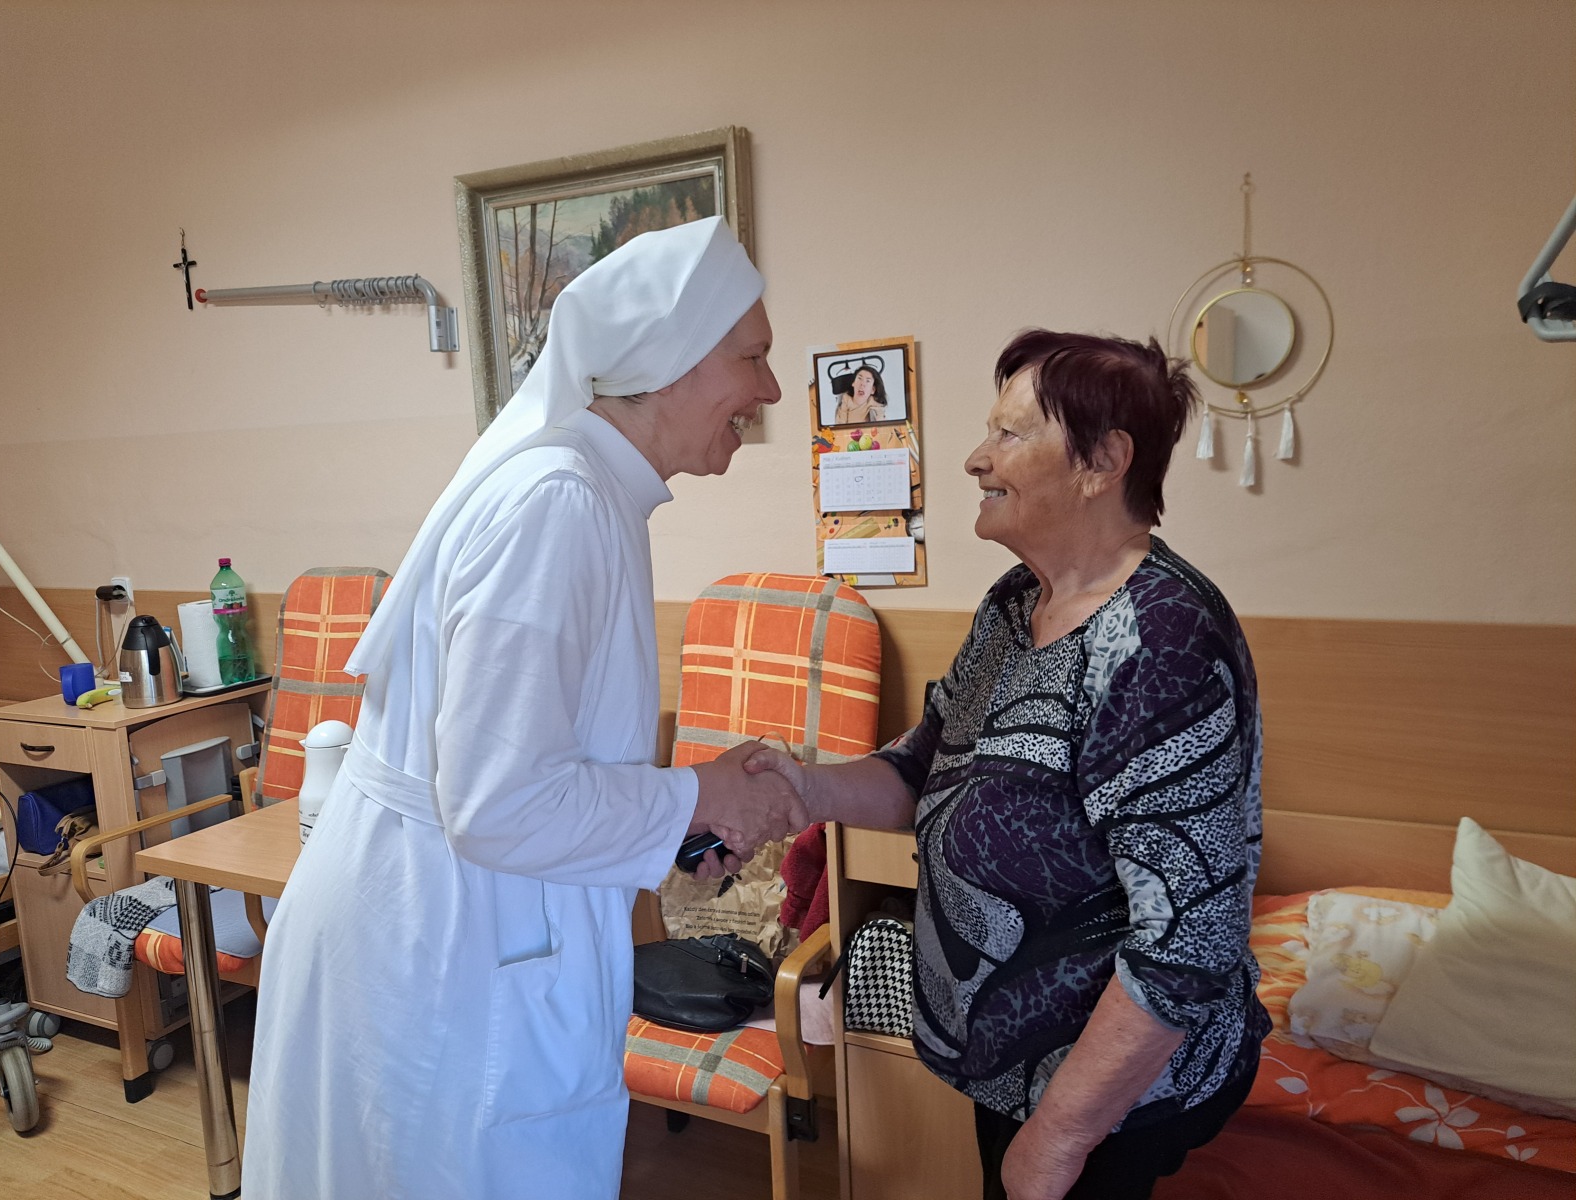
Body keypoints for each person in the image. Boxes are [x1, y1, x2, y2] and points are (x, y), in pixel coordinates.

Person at [244, 217, 808, 1200]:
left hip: (465, 930)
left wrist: (676, 828)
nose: (769, 390)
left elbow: (537, 764)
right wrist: (695, 796)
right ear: (671, 362)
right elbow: (496, 802)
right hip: (441, 956)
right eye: (751, 357)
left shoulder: (589, 493)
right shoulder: (558, 504)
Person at [749, 330, 1268, 1200]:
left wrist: (1059, 1138)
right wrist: (802, 787)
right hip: (1009, 1061)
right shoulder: (1016, 603)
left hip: (1110, 1096)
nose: (974, 459)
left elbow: (1186, 944)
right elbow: (925, 766)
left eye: (1009, 435)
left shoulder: (1162, 640)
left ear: (1103, 462)